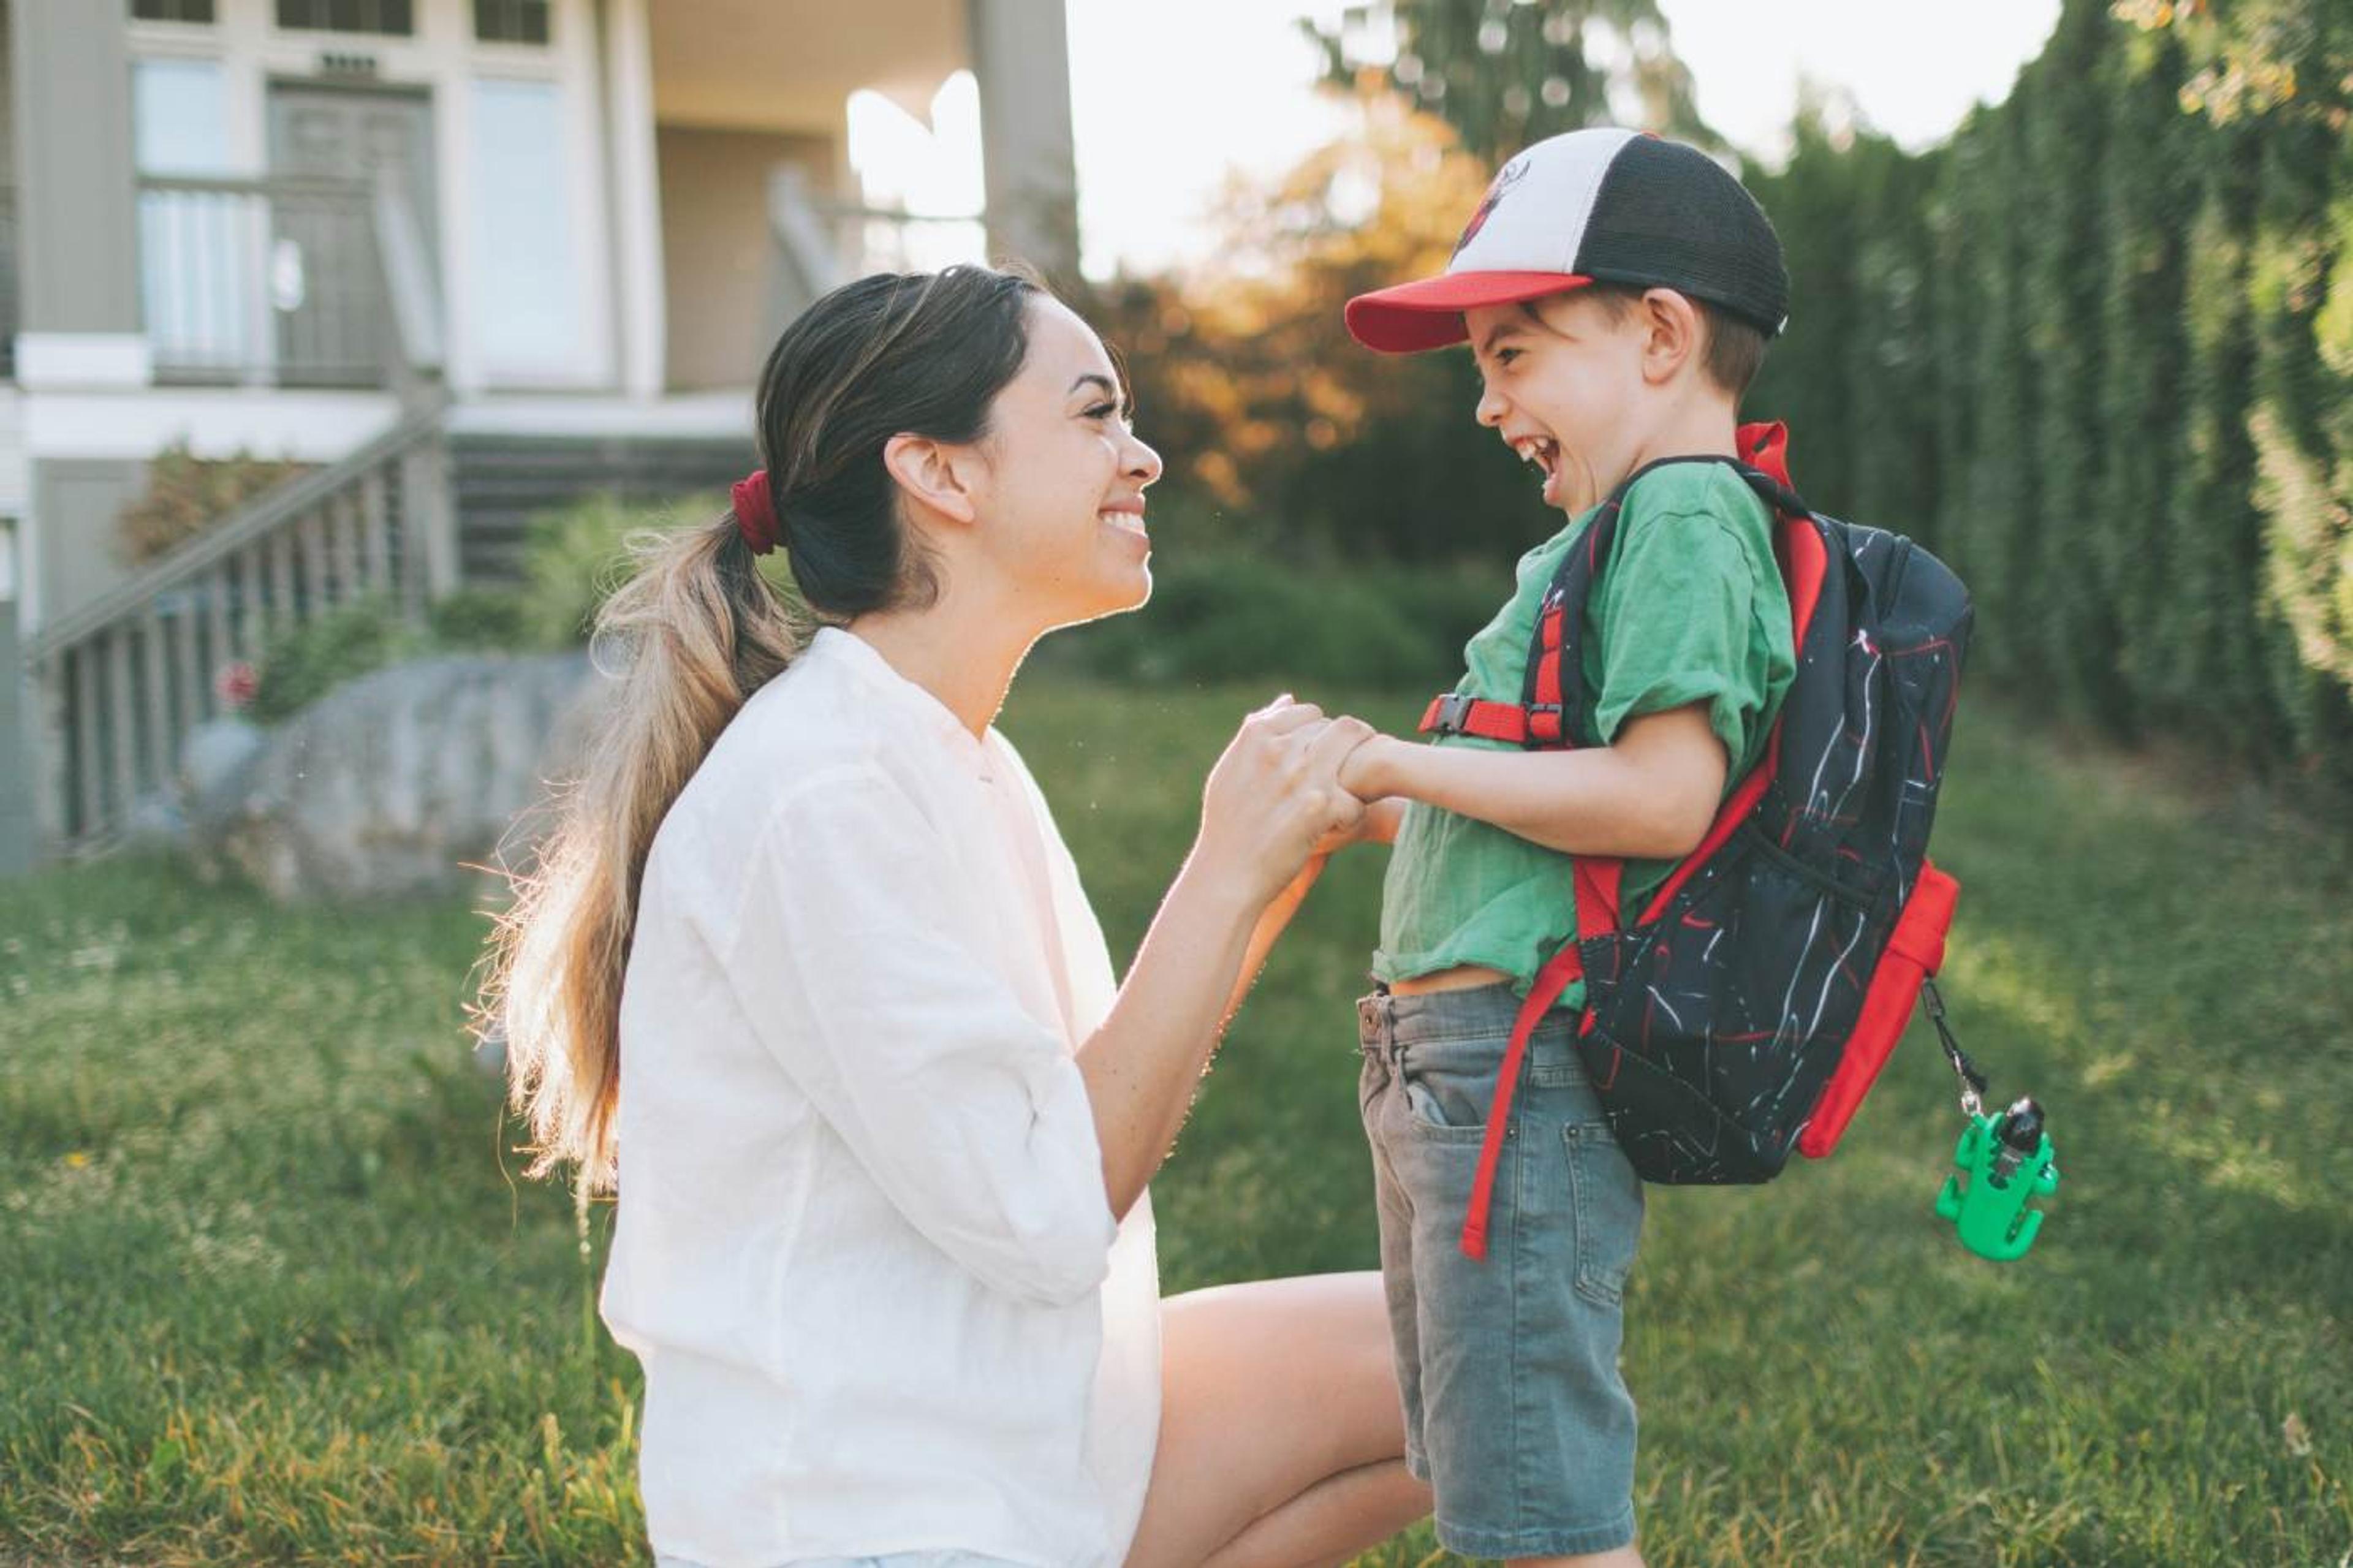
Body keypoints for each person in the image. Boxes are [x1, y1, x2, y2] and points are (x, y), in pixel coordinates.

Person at [476, 265, 1433, 1567]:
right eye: (1095, 413)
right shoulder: (820, 791)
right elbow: (1050, 1206)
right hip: (866, 1512)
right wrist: (1222, 865)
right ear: (940, 472)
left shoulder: (942, 750)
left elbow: (1079, 1099)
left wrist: (1275, 859)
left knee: (1462, 1345)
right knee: (1472, 1354)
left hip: (1006, 1430)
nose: (1141, 455)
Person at [1324, 128, 1803, 1565]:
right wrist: (1385, 802)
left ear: (1660, 335)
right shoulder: (1618, 531)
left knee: (1540, 1515)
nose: (1486, 402)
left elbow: (1664, 797)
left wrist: (1413, 757)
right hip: (1449, 1061)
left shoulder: (1682, 513)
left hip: (1515, 1065)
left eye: (1514, 351)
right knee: (1490, 1477)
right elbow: (1545, 816)